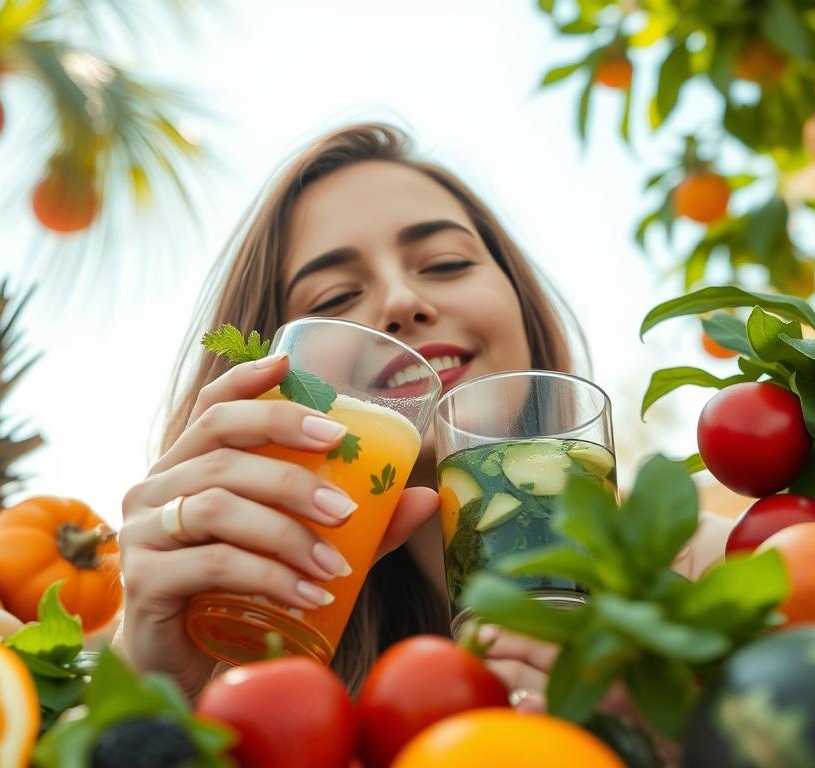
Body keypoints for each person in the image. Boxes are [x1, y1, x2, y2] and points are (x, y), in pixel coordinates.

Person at [114, 122, 728, 710]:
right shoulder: (248, 667)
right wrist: (164, 701)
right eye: (333, 299)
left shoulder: (721, 581)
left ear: (520, 303)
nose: (403, 301)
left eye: (445, 262)